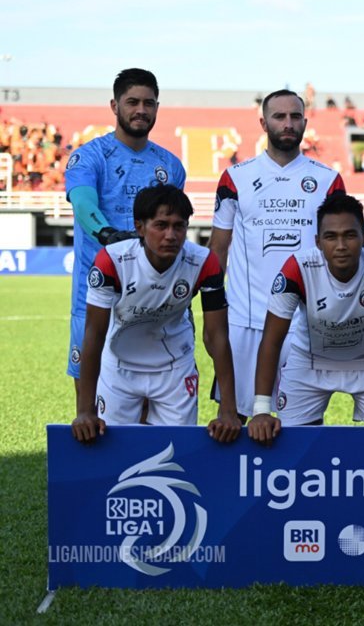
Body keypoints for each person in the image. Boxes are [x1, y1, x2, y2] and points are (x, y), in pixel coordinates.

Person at [209, 89, 346, 420]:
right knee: (238, 421)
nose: (288, 123)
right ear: (263, 122)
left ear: (305, 123)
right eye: (279, 116)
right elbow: (218, 247)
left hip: (306, 323)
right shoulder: (236, 178)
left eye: (295, 117)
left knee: (303, 423)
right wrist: (214, 311)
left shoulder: (328, 180)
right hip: (247, 321)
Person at [247, 195, 364, 444]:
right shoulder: (297, 268)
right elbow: (271, 340)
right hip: (308, 363)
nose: (341, 245)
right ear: (318, 242)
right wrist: (262, 411)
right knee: (290, 444)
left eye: (350, 235)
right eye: (331, 237)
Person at [70, 185, 240, 444]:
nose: (171, 235)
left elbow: (216, 335)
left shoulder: (204, 262)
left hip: (175, 368)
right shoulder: (111, 261)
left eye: (179, 226)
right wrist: (85, 410)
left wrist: (228, 408)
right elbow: (94, 334)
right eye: (161, 225)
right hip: (119, 367)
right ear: (140, 227)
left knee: (177, 451)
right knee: (115, 451)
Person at [64, 68, 186, 389]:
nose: (141, 110)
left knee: (147, 393)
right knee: (89, 395)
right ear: (115, 106)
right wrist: (109, 236)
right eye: (132, 102)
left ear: (157, 108)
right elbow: (82, 203)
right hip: (95, 292)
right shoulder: (90, 157)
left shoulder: (171, 166)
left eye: (149, 103)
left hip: (152, 296)